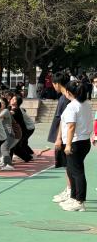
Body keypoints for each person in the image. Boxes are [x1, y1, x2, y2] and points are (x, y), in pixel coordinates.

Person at [58, 79, 93, 211]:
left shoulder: (72, 106)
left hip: (75, 142)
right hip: (84, 141)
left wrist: (68, 145)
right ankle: (73, 197)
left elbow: (71, 126)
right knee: (72, 170)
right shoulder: (86, 103)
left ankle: (79, 202)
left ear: (68, 92)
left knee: (77, 172)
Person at [49, 72, 72, 202]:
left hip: (64, 137)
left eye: (53, 84)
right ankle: (68, 189)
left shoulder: (65, 99)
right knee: (67, 165)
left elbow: (63, 121)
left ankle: (70, 191)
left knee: (69, 165)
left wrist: (59, 139)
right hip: (65, 136)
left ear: (57, 84)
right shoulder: (65, 97)